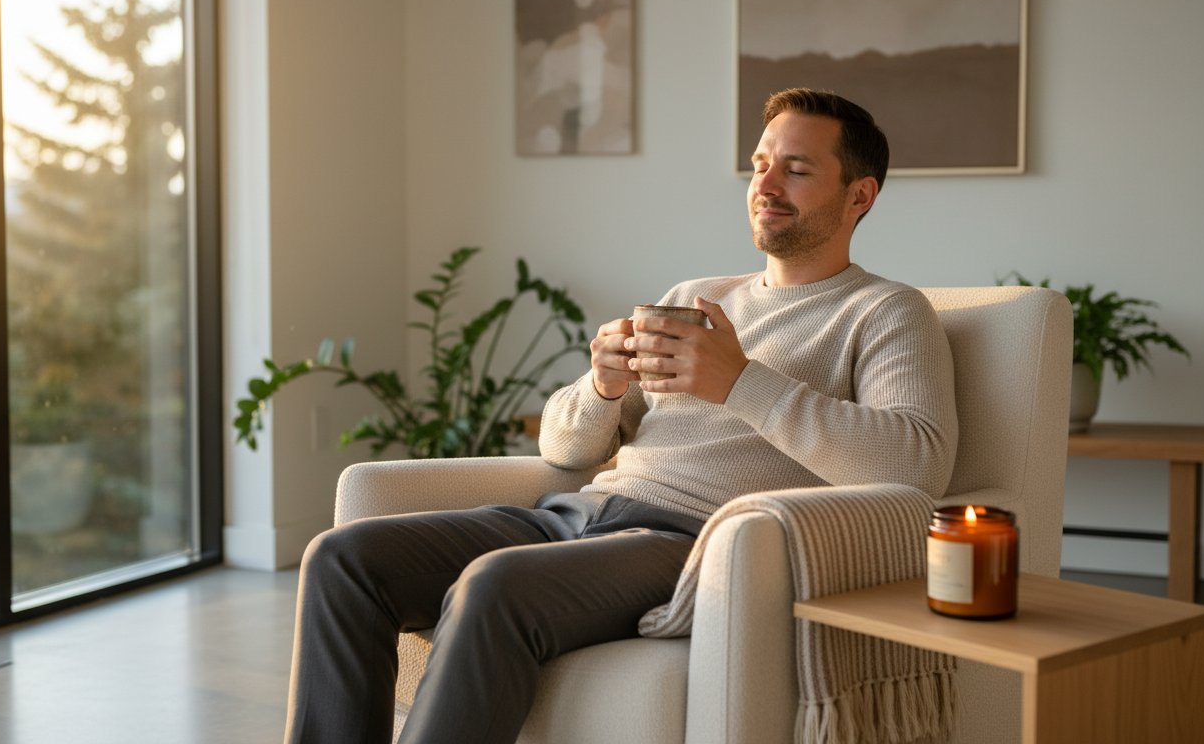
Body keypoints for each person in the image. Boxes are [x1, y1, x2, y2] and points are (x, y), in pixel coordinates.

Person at [283, 88, 958, 744]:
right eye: (760, 164)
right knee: (344, 559)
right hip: (575, 515)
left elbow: (915, 463)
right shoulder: (695, 296)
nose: (766, 183)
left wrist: (741, 382)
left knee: (495, 584)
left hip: (695, 546)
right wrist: (602, 384)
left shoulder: (884, 312)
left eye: (797, 168)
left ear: (859, 196)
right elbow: (566, 449)